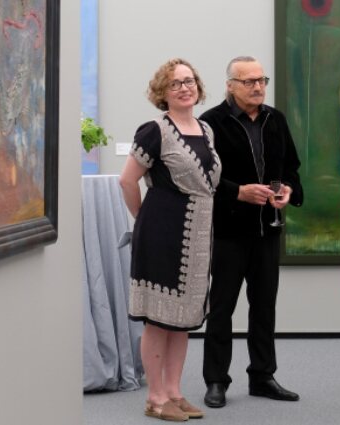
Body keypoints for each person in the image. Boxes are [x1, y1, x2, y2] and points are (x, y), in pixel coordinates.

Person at [120, 58, 220, 422]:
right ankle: (155, 396)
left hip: (197, 236)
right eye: (175, 83)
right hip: (161, 231)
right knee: (158, 319)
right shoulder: (154, 131)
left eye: (189, 81)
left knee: (184, 319)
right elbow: (127, 181)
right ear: (162, 92)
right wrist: (143, 220)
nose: (184, 88)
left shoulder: (206, 130)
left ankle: (175, 392)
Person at [200, 56, 303, 408]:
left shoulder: (276, 119)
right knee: (222, 308)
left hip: (267, 231)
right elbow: (202, 179)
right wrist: (238, 192)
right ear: (230, 85)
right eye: (249, 81)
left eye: (262, 80)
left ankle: (262, 376)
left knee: (264, 307)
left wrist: (288, 189)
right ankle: (216, 380)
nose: (258, 87)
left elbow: (291, 167)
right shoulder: (210, 123)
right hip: (228, 231)